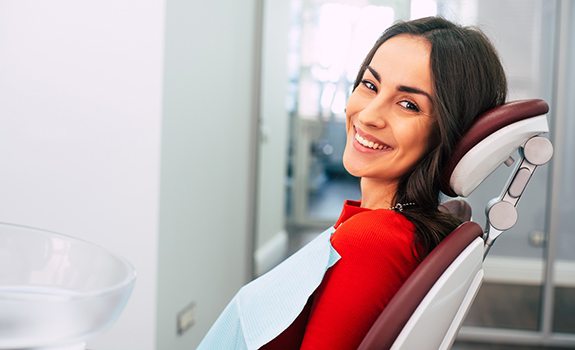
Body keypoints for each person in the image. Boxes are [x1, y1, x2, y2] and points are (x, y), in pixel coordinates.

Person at [199, 16, 507, 350]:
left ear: (450, 131)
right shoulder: (384, 227)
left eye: (408, 104)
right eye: (370, 85)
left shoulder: (372, 241)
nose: (368, 115)